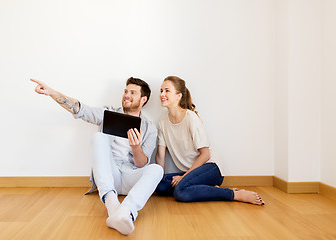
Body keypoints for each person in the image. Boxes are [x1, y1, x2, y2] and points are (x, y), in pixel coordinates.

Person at [31, 77, 163, 235]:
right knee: (98, 137)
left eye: (132, 93)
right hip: (108, 176)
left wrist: (136, 148)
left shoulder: (150, 128)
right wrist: (52, 93)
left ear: (143, 99)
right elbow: (81, 110)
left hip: (130, 177)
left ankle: (126, 211)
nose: (126, 95)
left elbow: (142, 164)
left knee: (156, 170)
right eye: (125, 91)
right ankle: (112, 205)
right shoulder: (109, 113)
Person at [155, 76, 265, 205]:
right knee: (159, 185)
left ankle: (234, 194)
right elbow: (160, 156)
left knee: (181, 192)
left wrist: (183, 178)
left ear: (178, 96)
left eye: (167, 91)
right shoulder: (162, 121)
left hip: (210, 167)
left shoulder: (191, 118)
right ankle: (206, 188)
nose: (162, 94)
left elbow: (205, 154)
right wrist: (158, 177)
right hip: (190, 171)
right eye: (161, 90)